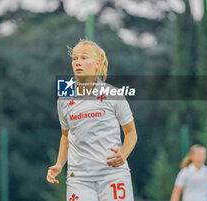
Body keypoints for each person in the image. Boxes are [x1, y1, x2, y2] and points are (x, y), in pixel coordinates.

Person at [46, 39, 138, 201]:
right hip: (79, 178)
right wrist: (59, 164)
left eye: (83, 57)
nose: (77, 62)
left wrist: (123, 154)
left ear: (97, 63)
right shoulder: (64, 98)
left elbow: (131, 133)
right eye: (74, 59)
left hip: (113, 175)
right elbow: (66, 136)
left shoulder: (113, 94)